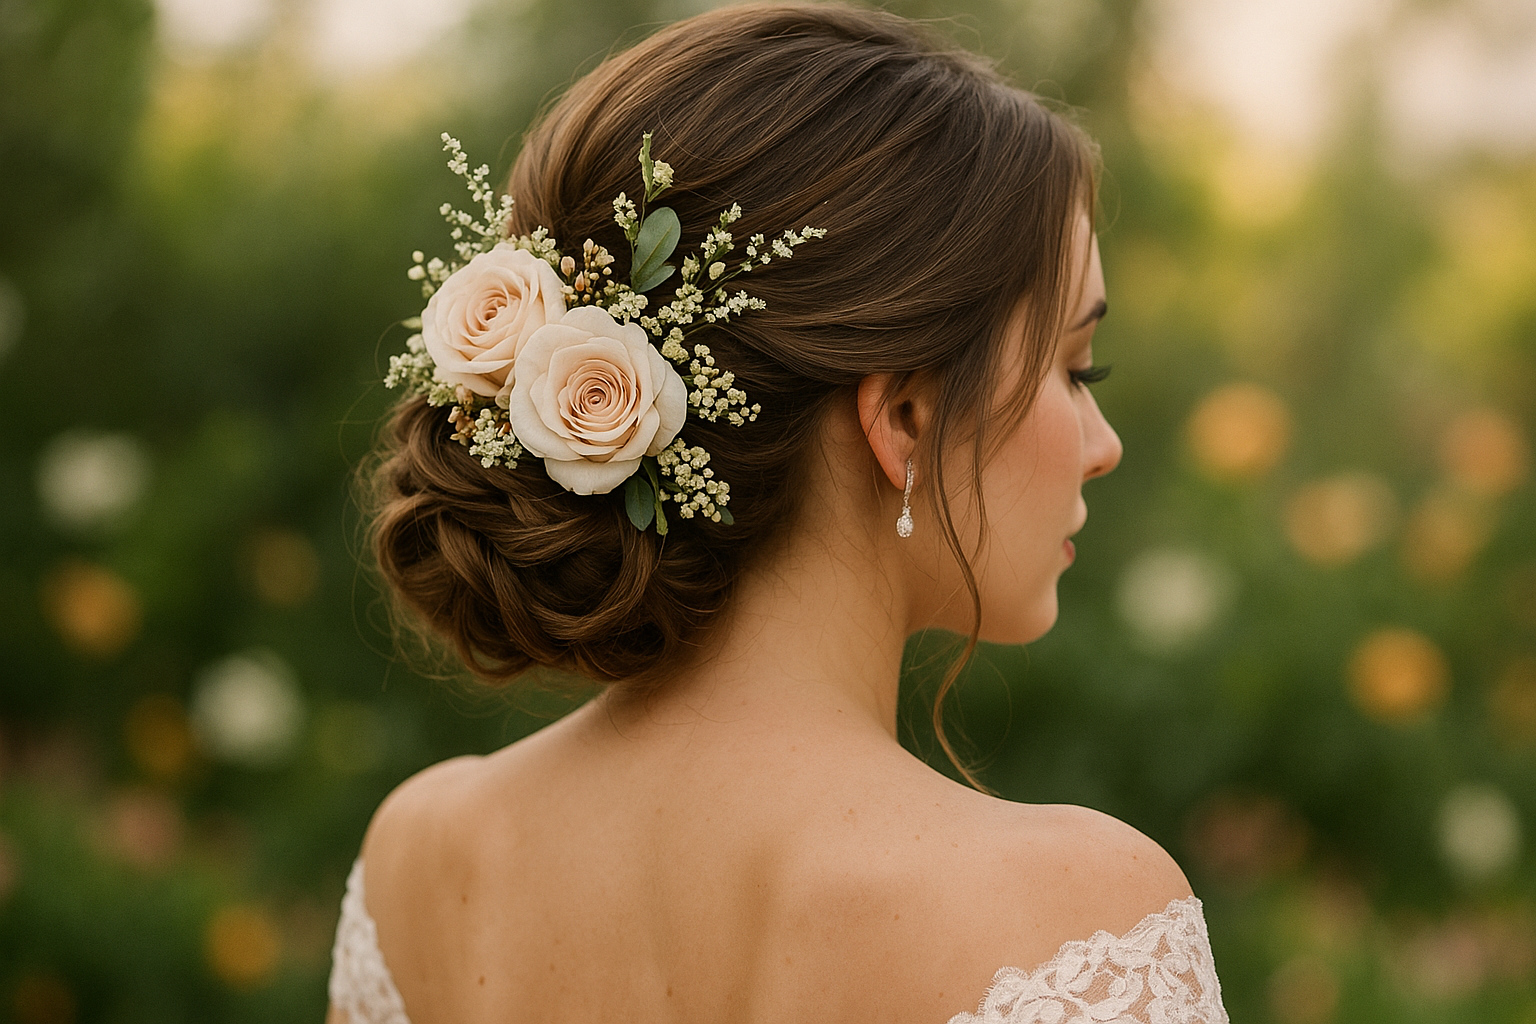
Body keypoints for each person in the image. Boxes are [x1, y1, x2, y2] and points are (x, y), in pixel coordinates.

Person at [329, 4, 1229, 1022]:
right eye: (1075, 366)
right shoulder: (1071, 918)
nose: (1102, 442)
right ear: (905, 415)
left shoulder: (427, 857)